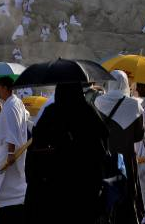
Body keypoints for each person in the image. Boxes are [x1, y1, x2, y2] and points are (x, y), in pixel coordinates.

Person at [24, 82, 109, 224]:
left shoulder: (51, 112)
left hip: (52, 189)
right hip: (84, 189)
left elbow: (37, 145)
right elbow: (103, 140)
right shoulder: (87, 112)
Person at [95, 70, 145, 224]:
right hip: (127, 158)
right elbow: (139, 136)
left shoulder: (98, 102)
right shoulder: (135, 105)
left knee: (106, 195)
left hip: (105, 158)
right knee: (127, 195)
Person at [0, 76, 29, 224]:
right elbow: (16, 121)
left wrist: (10, 153)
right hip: (10, 150)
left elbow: (12, 130)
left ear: (5, 88)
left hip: (9, 151)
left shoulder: (11, 106)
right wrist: (1, 110)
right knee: (10, 182)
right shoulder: (14, 103)